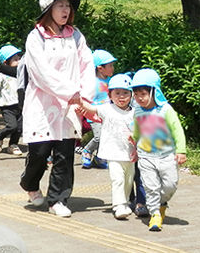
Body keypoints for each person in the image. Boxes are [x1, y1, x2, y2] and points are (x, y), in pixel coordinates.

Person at [19, 0, 95, 217]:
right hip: (42, 104)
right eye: (60, 5)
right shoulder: (36, 37)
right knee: (40, 153)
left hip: (70, 106)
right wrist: (70, 90)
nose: (65, 10)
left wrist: (85, 95)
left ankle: (57, 199)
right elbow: (41, 72)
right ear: (48, 10)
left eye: (68, 5)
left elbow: (87, 64)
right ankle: (29, 183)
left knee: (65, 154)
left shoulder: (75, 35)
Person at [131, 68, 187, 231]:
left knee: (170, 185)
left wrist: (181, 150)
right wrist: (134, 145)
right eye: (136, 95)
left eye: (143, 94)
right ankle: (155, 214)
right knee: (150, 187)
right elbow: (137, 130)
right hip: (146, 156)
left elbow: (177, 130)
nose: (139, 98)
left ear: (154, 91)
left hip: (166, 156)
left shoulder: (165, 110)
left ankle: (162, 203)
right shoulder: (138, 110)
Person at [77, 74, 137, 220]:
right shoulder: (107, 109)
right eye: (117, 93)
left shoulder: (135, 112)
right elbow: (91, 108)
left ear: (131, 95)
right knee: (118, 179)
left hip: (129, 154)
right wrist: (78, 101)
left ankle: (126, 201)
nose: (121, 97)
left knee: (129, 180)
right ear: (110, 94)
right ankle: (118, 205)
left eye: (125, 93)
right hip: (113, 153)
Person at [81, 49, 117, 169]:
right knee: (99, 136)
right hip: (94, 114)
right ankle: (87, 151)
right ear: (100, 68)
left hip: (107, 113)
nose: (113, 68)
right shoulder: (92, 82)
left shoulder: (111, 81)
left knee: (108, 136)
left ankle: (99, 157)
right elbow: (85, 99)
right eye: (110, 66)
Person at [0, 45, 23, 156]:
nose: (19, 61)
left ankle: (13, 145)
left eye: (19, 59)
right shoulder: (2, 74)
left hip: (21, 105)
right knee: (12, 126)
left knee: (19, 128)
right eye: (15, 60)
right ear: (5, 62)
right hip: (7, 106)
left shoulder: (22, 74)